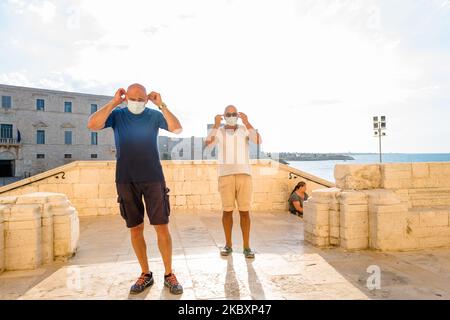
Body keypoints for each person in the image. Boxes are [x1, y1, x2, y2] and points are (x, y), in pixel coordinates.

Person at [87, 84, 183, 295]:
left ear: (147, 100)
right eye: (133, 98)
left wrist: (162, 105)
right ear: (125, 97)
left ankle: (169, 274)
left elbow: (177, 128)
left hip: (153, 177)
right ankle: (145, 274)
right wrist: (113, 103)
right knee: (135, 228)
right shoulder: (118, 114)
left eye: (142, 99)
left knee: (162, 226)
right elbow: (92, 125)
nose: (137, 103)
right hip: (126, 179)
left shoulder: (153, 115)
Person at [205, 105, 262, 259]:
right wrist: (216, 125)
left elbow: (258, 140)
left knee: (245, 212)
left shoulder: (244, 129)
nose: (231, 115)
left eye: (234, 113)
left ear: (237, 115)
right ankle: (228, 245)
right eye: (228, 114)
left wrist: (248, 122)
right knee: (227, 211)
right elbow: (208, 143)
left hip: (244, 174)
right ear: (224, 116)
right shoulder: (220, 131)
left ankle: (246, 247)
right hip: (225, 175)